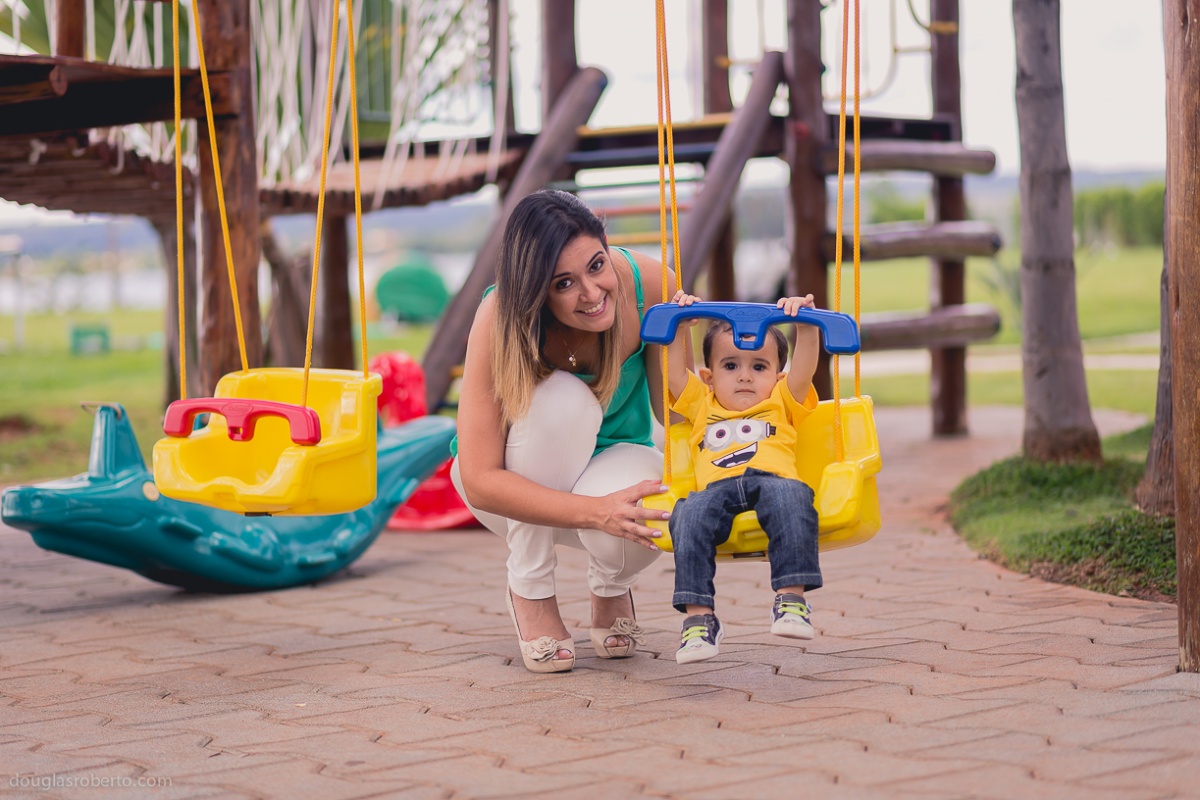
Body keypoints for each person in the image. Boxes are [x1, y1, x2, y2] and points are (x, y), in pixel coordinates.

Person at [450, 189, 690, 673]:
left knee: (651, 505)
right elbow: (479, 480)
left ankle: (611, 585)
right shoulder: (500, 318)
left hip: (615, 458)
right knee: (563, 401)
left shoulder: (651, 285)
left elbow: (678, 418)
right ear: (536, 291)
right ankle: (532, 588)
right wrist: (596, 512)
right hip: (514, 484)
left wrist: (683, 331)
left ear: (606, 244)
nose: (592, 293)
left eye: (596, 265)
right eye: (564, 283)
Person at [663, 292, 823, 664]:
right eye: (731, 365)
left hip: (772, 479)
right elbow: (673, 374)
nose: (745, 376)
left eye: (759, 366)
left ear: (778, 376)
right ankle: (699, 620)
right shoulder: (701, 403)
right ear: (709, 376)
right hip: (715, 490)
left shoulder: (782, 399)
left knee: (793, 497)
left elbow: (804, 367)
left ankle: (791, 600)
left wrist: (806, 327)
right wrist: (677, 327)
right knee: (687, 515)